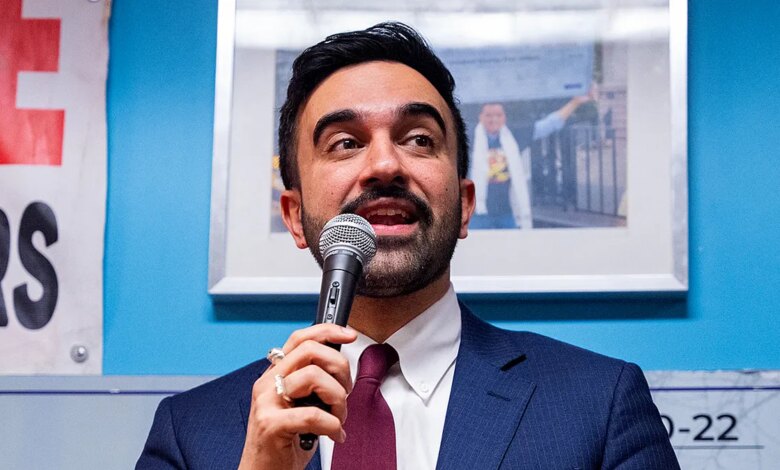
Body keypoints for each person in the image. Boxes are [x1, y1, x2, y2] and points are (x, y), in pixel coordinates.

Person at [137, 22, 678, 470]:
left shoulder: (599, 405)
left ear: (465, 204)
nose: (385, 165)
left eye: (419, 139)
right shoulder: (189, 433)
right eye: (345, 143)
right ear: (295, 218)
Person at [471, 94, 595, 230]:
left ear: (504, 118)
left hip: (507, 211)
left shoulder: (514, 136)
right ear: (480, 117)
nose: (493, 119)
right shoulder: (468, 137)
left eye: (498, 115)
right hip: (476, 212)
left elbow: (549, 124)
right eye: (488, 115)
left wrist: (575, 102)